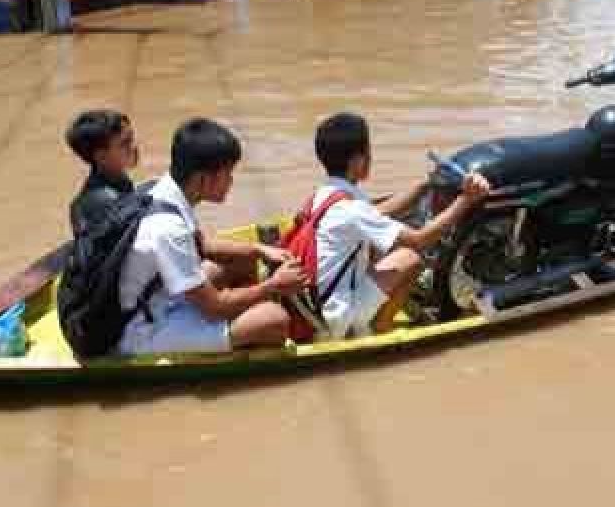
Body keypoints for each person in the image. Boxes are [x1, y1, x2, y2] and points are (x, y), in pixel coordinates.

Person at [117, 118, 307, 354]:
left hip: (156, 300)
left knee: (243, 258)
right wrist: (273, 287)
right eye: (227, 174)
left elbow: (202, 246)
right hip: (141, 330)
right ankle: (246, 330)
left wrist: (259, 250)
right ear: (202, 180)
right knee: (275, 320)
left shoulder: (160, 189)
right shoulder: (168, 228)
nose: (231, 181)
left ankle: (240, 321)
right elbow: (214, 308)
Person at [309, 112, 490, 340]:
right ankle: (375, 328)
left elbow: (380, 212)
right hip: (339, 313)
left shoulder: (326, 194)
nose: (371, 157)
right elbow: (421, 239)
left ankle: (371, 315)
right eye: (368, 151)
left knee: (382, 246)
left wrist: (427, 182)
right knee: (410, 258)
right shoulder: (352, 208)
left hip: (324, 299)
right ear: (357, 161)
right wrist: (466, 200)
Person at [65, 109, 139, 238]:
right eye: (125, 143)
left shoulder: (118, 181)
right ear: (101, 156)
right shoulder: (108, 204)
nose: (134, 147)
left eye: (132, 138)